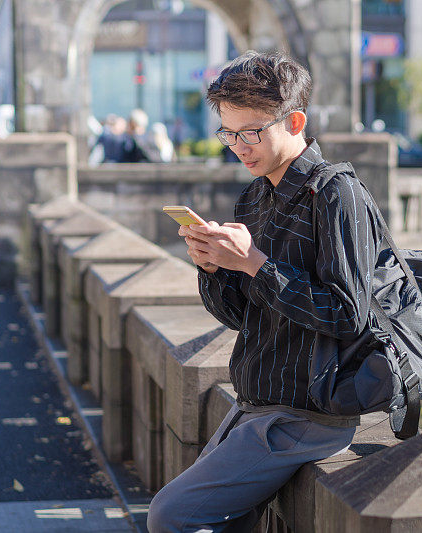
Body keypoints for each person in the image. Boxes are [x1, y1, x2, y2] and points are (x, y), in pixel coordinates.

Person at [147, 51, 381, 532]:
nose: (238, 146)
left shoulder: (336, 194)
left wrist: (254, 263)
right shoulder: (254, 196)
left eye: (250, 132)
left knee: (170, 515)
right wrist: (213, 268)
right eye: (228, 133)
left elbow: (347, 314)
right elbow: (240, 316)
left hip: (308, 416)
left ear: (295, 121)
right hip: (258, 406)